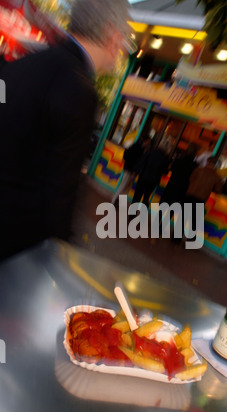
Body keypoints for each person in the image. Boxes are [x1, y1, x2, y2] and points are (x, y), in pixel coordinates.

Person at [0, 0, 132, 261]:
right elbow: (59, 190)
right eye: (125, 42)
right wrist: (56, 256)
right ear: (113, 37)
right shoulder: (77, 88)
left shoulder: (23, 65)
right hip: (17, 247)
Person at [185, 158, 223, 236]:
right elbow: (218, 190)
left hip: (190, 195)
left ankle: (176, 238)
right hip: (201, 199)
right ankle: (190, 239)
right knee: (195, 220)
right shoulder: (217, 177)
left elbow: (190, 179)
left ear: (208, 162)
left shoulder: (199, 170)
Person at [112, 136, 152, 207]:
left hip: (129, 169)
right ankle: (114, 201)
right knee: (124, 185)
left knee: (126, 186)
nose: (149, 143)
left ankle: (117, 202)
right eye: (148, 142)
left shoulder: (138, 147)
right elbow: (133, 158)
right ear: (145, 141)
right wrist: (133, 169)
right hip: (129, 170)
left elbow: (126, 154)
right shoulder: (138, 148)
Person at [131, 139, 171, 208]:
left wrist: (135, 172)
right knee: (146, 198)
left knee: (137, 196)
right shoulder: (166, 159)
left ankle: (132, 216)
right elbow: (165, 172)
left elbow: (142, 161)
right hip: (153, 181)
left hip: (143, 177)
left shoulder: (151, 152)